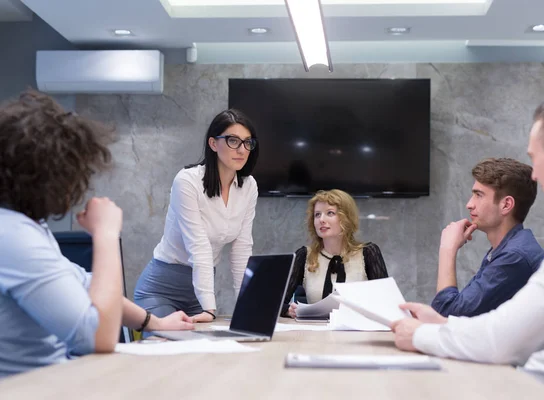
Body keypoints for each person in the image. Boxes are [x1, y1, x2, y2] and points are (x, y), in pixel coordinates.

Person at [392, 91, 544, 400]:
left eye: (534, 159)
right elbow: (509, 324)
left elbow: (506, 339)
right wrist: (446, 325)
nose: (534, 175)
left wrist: (424, 334)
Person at [0, 90, 193, 378]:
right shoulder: (12, 235)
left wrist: (154, 322)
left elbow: (86, 284)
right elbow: (97, 335)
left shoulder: (25, 225)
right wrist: (105, 234)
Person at [134, 109, 259, 323]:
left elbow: (241, 249)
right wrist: (210, 308)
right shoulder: (187, 181)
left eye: (247, 142)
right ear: (213, 143)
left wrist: (246, 306)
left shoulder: (248, 186)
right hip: (161, 290)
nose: (242, 149)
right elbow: (198, 246)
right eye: (233, 141)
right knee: (172, 346)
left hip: (196, 295)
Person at [432, 158, 544, 317]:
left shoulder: (514, 257)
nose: (469, 204)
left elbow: (448, 315)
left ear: (506, 205)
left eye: (479, 195)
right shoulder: (508, 248)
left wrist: (447, 249)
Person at [281, 189, 388, 318]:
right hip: (314, 334)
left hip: (358, 335)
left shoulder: (368, 253)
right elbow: (276, 303)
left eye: (330, 213)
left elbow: (386, 304)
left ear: (346, 218)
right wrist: (288, 311)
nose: (321, 219)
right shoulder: (304, 255)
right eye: (317, 214)